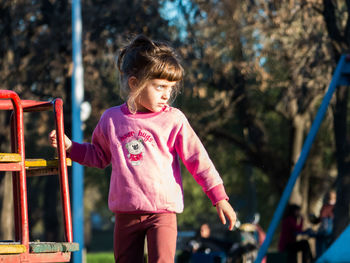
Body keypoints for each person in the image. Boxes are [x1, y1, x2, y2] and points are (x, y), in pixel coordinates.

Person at [49, 34, 236, 263]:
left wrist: (219, 198)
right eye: (160, 87)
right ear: (135, 83)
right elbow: (97, 156)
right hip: (125, 214)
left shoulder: (174, 120)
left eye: (170, 87)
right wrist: (70, 147)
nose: (167, 94)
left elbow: (198, 159)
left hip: (162, 213)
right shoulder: (111, 119)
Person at [315, 190, 336, 258]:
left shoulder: (327, 207)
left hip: (326, 232)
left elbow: (322, 219)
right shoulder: (335, 207)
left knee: (322, 253)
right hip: (330, 232)